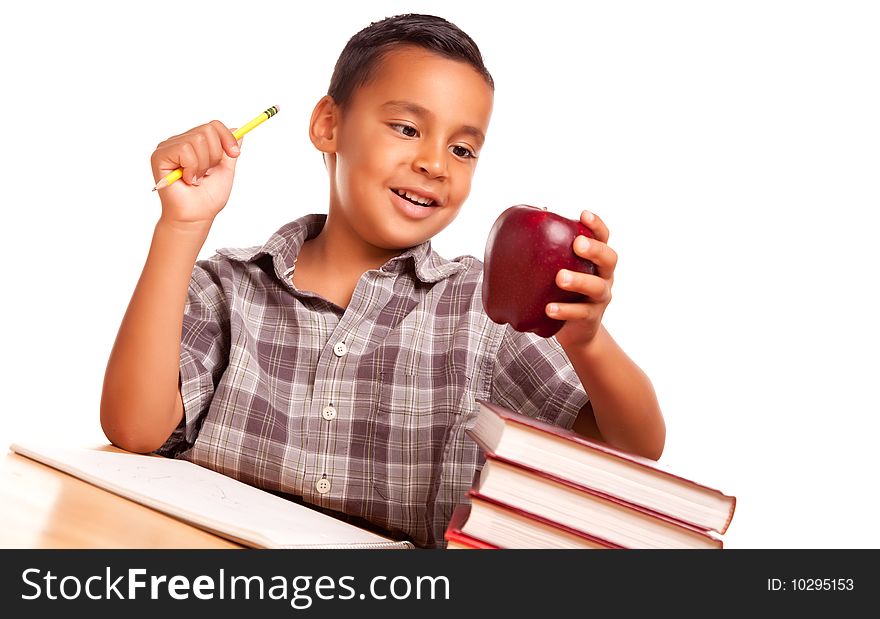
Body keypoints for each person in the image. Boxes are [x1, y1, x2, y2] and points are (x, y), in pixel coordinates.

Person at [101, 13, 665, 548]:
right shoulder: (229, 287)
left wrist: (585, 339)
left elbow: (634, 448)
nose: (435, 163)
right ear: (328, 125)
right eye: (406, 127)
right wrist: (183, 225)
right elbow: (135, 429)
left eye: (462, 148)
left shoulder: (480, 310)